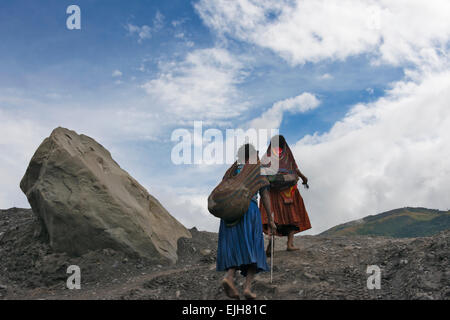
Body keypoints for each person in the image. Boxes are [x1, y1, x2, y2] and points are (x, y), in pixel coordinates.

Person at [216, 143, 276, 300]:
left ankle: (229, 277)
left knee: (235, 246)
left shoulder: (232, 170)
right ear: (253, 155)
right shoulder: (257, 168)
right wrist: (270, 218)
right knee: (254, 248)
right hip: (248, 210)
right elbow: (265, 194)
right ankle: (247, 288)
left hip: (229, 212)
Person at [259, 135, 311, 254]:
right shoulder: (287, 155)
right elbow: (295, 169)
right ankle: (290, 244)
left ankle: (270, 245)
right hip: (288, 192)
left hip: (271, 192)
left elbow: (261, 171)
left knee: (272, 217)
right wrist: (304, 178)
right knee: (292, 216)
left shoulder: (267, 156)